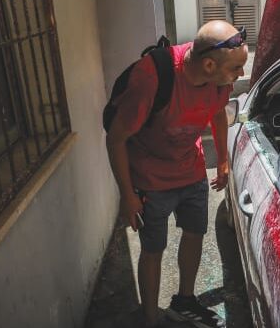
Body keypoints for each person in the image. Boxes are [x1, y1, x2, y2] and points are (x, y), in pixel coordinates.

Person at [106, 20, 248, 328]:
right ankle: (150, 318)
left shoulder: (219, 81)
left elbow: (217, 114)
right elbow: (116, 139)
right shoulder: (152, 77)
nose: (240, 75)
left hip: (191, 171)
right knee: (153, 249)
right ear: (209, 65)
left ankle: (185, 301)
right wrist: (128, 196)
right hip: (150, 180)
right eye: (237, 68)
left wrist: (222, 160)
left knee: (195, 233)